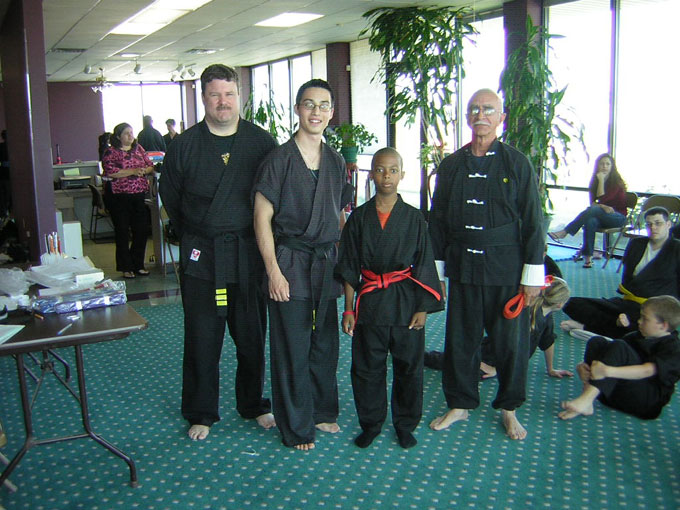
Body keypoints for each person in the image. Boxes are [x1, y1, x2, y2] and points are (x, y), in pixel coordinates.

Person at [159, 64, 277, 441]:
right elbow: (171, 197)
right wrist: (199, 231)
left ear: (239, 96)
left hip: (247, 254)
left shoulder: (261, 142)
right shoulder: (184, 145)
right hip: (204, 256)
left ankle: (252, 403)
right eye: (214, 95)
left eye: (229, 94)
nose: (222, 102)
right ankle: (201, 411)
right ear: (204, 98)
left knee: (251, 334)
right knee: (202, 336)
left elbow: (274, 195)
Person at [427, 88, 545, 440]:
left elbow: (533, 221)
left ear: (501, 118)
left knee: (510, 345)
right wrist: (437, 272)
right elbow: (438, 221)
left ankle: (509, 408)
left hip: (506, 269)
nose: (481, 115)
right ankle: (460, 404)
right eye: (475, 109)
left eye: (489, 109)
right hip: (463, 266)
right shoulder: (451, 165)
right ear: (467, 116)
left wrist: (532, 276)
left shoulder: (516, 163)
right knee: (460, 341)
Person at [253, 79, 353, 451]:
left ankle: (323, 410)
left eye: (324, 105)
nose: (316, 112)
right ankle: (295, 426)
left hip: (325, 263)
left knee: (324, 343)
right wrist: (273, 272)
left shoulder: (336, 160)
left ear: (331, 112)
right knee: (292, 346)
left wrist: (345, 264)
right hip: (290, 261)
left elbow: (339, 213)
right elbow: (261, 218)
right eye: (309, 104)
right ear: (297, 109)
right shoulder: (278, 160)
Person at [335, 147, 443, 449]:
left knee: (409, 367)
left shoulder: (414, 218)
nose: (386, 176)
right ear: (372, 174)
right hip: (370, 302)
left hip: (406, 301)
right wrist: (348, 309)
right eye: (380, 170)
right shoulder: (359, 218)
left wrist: (423, 307)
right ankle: (370, 423)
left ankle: (405, 424)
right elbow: (349, 267)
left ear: (402, 175)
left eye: (393, 170)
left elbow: (424, 263)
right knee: (367, 367)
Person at [561, 206, 680, 339]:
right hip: (627, 303)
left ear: (668, 224)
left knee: (650, 326)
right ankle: (619, 326)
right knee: (572, 304)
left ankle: (588, 327)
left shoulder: (676, 249)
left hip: (654, 309)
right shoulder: (637, 244)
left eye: (658, 223)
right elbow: (627, 278)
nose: (653, 228)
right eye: (649, 224)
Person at [425, 277, 573, 380]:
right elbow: (506, 345)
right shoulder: (526, 317)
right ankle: (419, 355)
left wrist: (551, 368)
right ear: (559, 304)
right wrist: (494, 369)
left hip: (503, 359)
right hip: (490, 355)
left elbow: (548, 341)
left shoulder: (546, 317)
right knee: (453, 365)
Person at [558, 295, 680, 421]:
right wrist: (582, 366)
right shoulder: (637, 335)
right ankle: (588, 398)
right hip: (614, 395)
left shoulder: (673, 347)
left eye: (645, 319)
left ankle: (586, 399)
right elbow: (610, 355)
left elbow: (647, 371)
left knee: (620, 346)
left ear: (663, 326)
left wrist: (607, 371)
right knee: (597, 342)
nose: (639, 321)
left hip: (645, 403)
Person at [548, 154, 627, 268]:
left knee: (594, 211)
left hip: (618, 217)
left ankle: (565, 231)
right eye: (602, 164)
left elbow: (601, 200)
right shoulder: (595, 181)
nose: (604, 166)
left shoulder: (616, 183)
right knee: (591, 221)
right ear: (597, 166)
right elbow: (594, 203)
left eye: (607, 164)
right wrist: (601, 205)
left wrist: (601, 182)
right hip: (601, 215)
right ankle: (588, 259)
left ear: (612, 167)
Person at [101, 123, 154, 278]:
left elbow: (150, 165)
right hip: (119, 196)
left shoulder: (139, 149)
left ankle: (138, 264)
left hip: (138, 194)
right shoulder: (111, 152)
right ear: (118, 136)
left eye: (131, 132)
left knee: (141, 230)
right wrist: (132, 171)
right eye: (126, 133)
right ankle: (126, 267)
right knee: (122, 231)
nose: (131, 136)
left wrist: (144, 170)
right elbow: (110, 172)